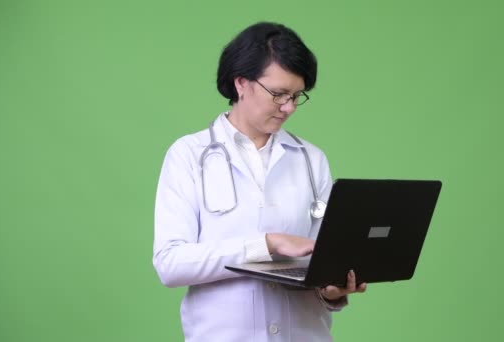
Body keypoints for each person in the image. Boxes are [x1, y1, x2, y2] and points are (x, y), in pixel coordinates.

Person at [153, 22, 366, 341]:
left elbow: (322, 262)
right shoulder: (189, 155)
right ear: (241, 83)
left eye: (297, 96)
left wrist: (333, 291)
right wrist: (264, 244)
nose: (289, 107)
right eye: (278, 94)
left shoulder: (312, 160)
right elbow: (170, 264)